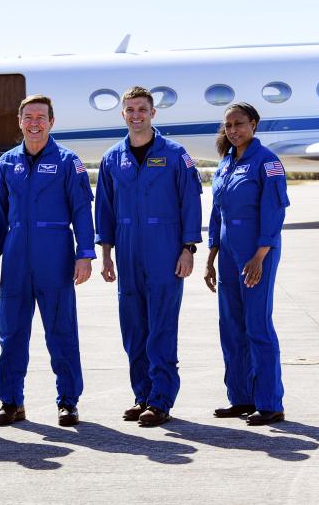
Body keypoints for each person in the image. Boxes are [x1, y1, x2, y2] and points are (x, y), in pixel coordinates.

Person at [0, 94, 95, 427]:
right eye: (28, 117)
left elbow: (81, 212)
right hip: (16, 257)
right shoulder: (7, 164)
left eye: (41, 117)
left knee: (61, 332)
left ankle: (68, 401)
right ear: (20, 122)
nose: (35, 123)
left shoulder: (67, 161)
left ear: (51, 122)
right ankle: (11, 402)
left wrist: (85, 254)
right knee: (11, 333)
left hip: (55, 255)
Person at [96, 86, 202, 426]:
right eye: (130, 110)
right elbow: (105, 208)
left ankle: (161, 400)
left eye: (142, 109)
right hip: (126, 251)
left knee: (161, 327)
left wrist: (188, 248)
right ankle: (141, 394)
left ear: (153, 113)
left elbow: (190, 202)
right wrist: (106, 253)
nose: (136, 115)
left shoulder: (175, 154)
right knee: (134, 328)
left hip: (165, 249)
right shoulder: (113, 157)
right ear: (123, 114)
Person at [204, 102, 290, 426]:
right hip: (227, 255)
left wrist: (260, 255)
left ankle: (270, 403)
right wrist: (211, 257)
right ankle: (240, 398)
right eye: (228, 126)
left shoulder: (267, 163)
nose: (233, 131)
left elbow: (274, 212)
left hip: (257, 255)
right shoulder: (225, 164)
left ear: (254, 124)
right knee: (231, 328)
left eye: (239, 124)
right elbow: (217, 213)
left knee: (257, 327)